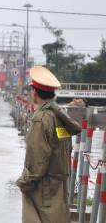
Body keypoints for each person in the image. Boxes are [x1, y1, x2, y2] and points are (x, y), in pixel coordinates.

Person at [16, 66, 82, 223]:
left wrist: (26, 181)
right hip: (57, 184)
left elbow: (37, 156)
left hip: (43, 186)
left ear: (35, 92)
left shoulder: (42, 118)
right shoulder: (59, 116)